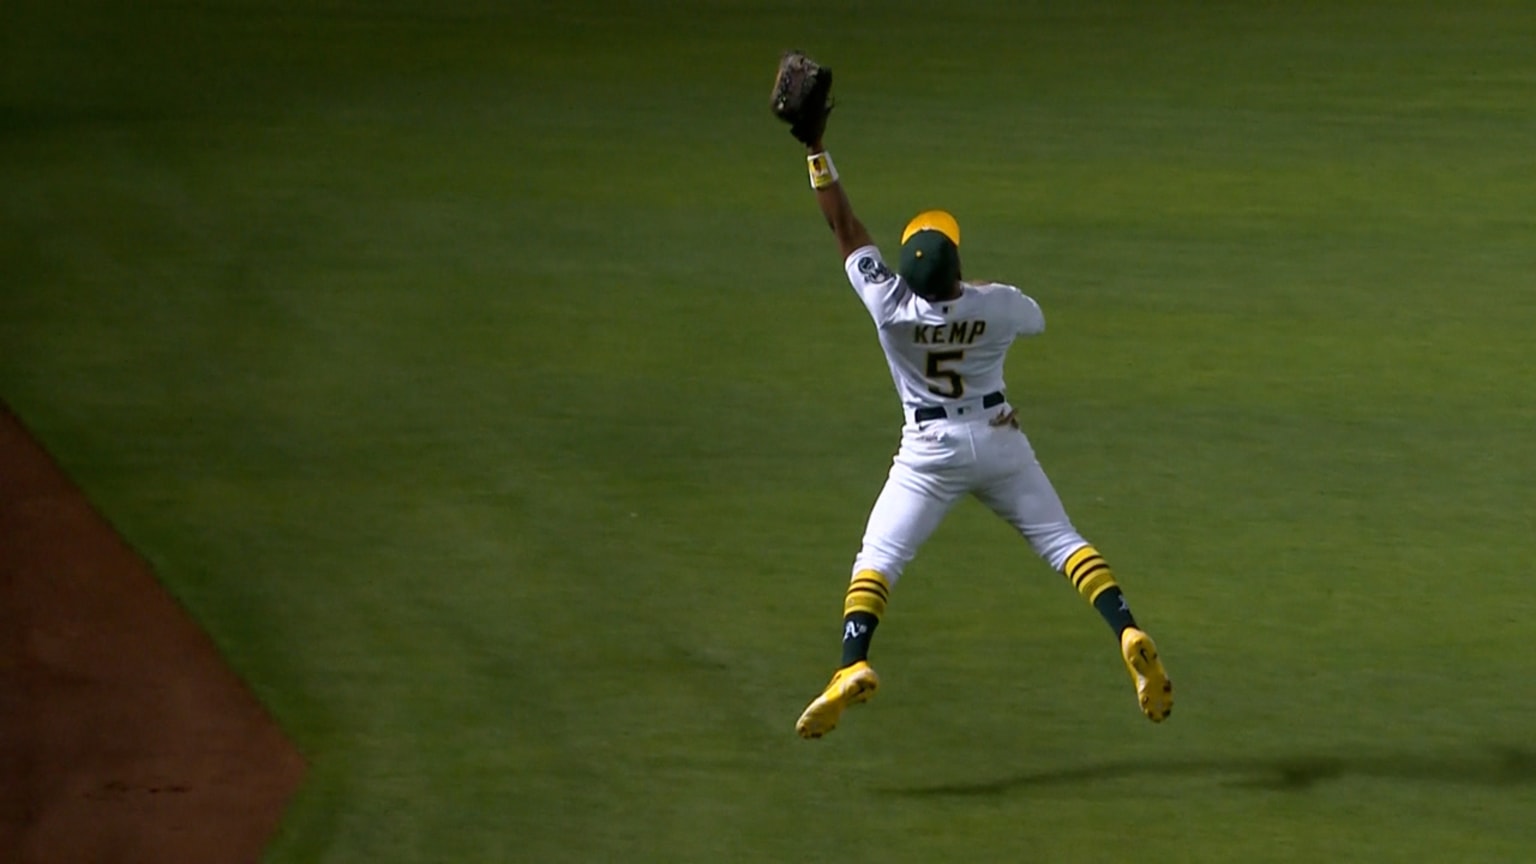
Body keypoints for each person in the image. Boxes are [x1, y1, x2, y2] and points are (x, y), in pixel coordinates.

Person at [789, 97, 1174, 742]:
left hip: (927, 449)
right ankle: (1127, 628)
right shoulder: (999, 307)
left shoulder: (889, 306)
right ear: (958, 267)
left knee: (879, 558)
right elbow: (1038, 318)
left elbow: (846, 229)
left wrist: (814, 147)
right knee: (1063, 542)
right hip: (999, 438)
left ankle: (852, 664)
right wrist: (974, 294)